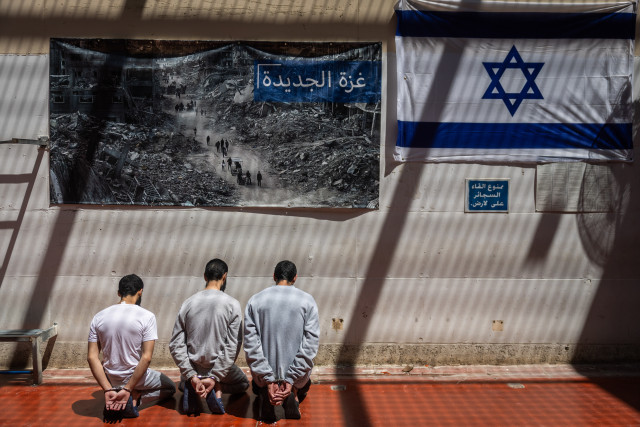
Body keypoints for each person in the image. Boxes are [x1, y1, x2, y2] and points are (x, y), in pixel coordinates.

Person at [87, 274, 176, 420]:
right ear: (140, 291)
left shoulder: (99, 316)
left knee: (108, 371)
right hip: (136, 378)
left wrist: (107, 389)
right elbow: (146, 358)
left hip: (110, 378)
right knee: (170, 387)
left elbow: (92, 357)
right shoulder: (147, 316)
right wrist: (128, 388)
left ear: (118, 293)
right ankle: (134, 397)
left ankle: (116, 393)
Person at [169, 259, 249, 415]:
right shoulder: (232, 304)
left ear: (205, 276)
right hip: (218, 367)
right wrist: (215, 376)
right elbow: (233, 345)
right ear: (224, 276)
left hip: (193, 367)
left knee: (182, 383)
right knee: (244, 383)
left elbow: (175, 344)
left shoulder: (188, 303)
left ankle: (194, 384)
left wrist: (191, 375)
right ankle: (215, 387)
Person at [244, 260, 320, 423]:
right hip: (295, 377)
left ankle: (267, 391)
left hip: (264, 375)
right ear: (295, 278)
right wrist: (291, 379)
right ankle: (293, 393)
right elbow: (310, 344)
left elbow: (251, 344)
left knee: (256, 387)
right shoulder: (307, 301)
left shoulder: (255, 300)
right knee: (306, 385)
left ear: (274, 276)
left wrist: (268, 378)